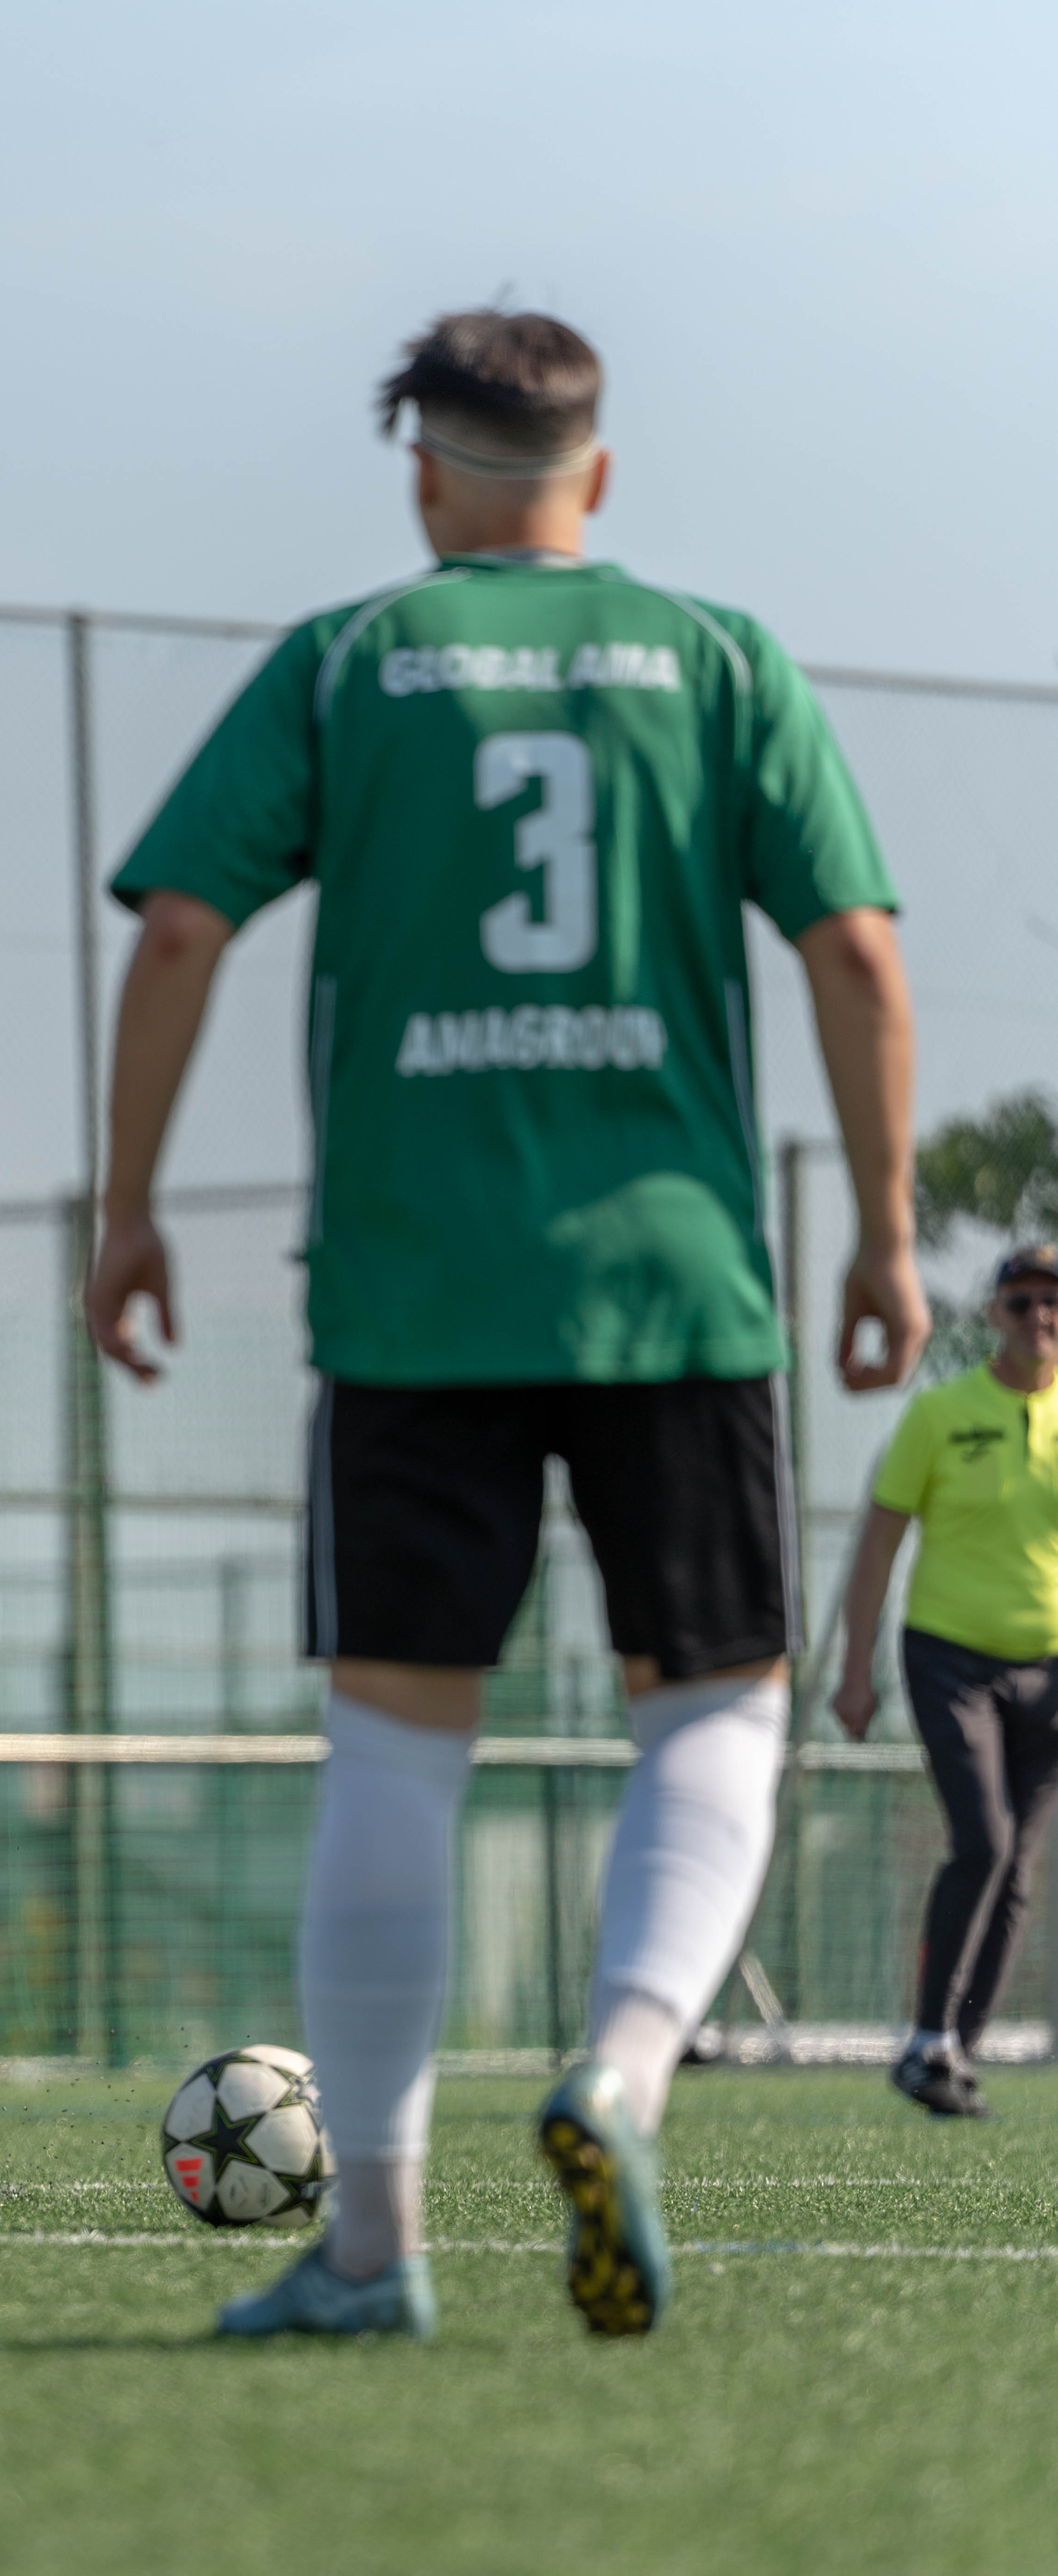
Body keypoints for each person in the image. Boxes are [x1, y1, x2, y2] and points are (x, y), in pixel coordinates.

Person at [87, 306, 927, 2343]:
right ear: (596, 472)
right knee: (713, 1707)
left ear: (425, 478)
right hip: (673, 1281)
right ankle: (622, 2068)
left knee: (393, 1743)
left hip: (413, 1285)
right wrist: (885, 1235)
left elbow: (183, 927)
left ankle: (372, 2247)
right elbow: (854, 954)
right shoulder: (718, 660)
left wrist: (128, 1209)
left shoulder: (345, 661)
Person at [832, 1243, 1058, 2116]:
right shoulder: (940, 1414)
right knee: (984, 1843)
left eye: (1053, 1302)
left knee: (1019, 1870)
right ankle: (929, 2036)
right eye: (1022, 1302)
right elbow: (879, 1545)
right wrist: (855, 1672)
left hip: (1050, 1678)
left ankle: (955, 2051)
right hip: (949, 1659)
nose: (1039, 1317)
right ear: (994, 1314)